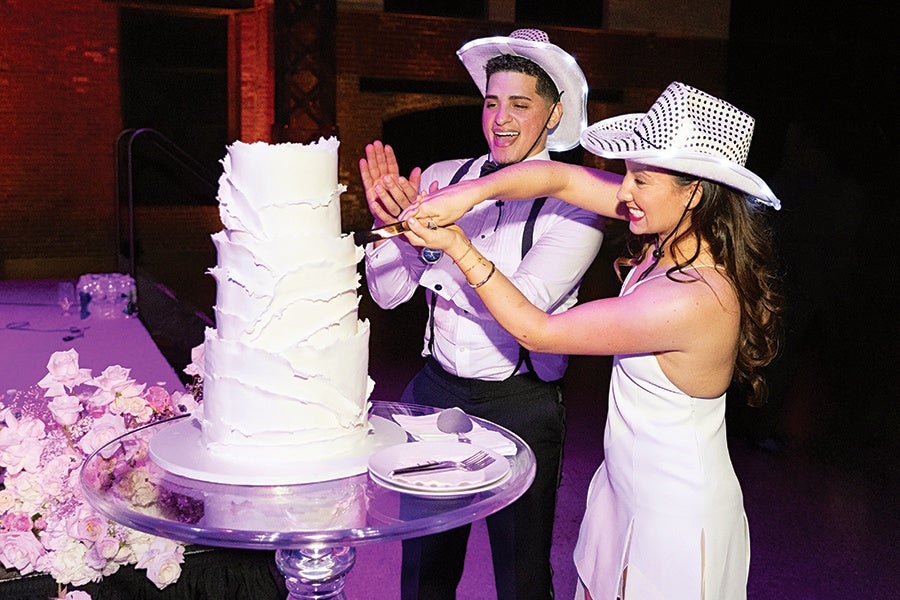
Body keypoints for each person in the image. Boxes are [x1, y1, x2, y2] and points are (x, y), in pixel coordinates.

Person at [400, 81, 784, 599]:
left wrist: (460, 247)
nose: (623, 193)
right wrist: (470, 191)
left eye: (640, 179)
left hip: (673, 510)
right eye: (626, 175)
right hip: (625, 486)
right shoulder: (675, 234)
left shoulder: (693, 296)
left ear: (693, 190)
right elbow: (557, 176)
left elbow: (539, 330)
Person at [359, 29, 605, 600]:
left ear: (554, 114)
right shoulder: (445, 176)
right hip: (434, 390)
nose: (501, 118)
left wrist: (436, 248)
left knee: (520, 575)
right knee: (424, 565)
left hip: (520, 401)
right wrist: (404, 238)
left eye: (521, 104)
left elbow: (523, 307)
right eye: (492, 102)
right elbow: (390, 293)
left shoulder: (577, 207)